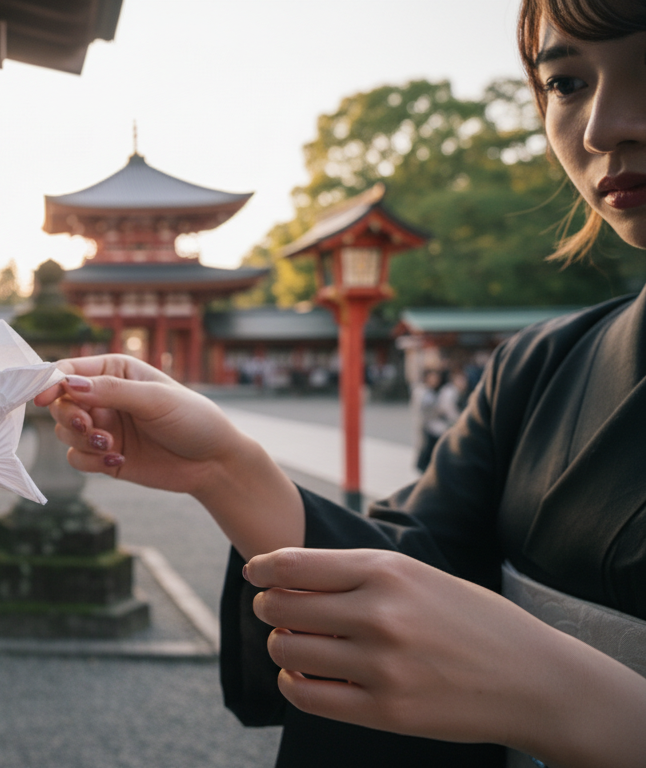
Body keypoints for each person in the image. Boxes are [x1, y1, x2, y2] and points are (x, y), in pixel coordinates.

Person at [32, 1, 646, 765]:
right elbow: (422, 576)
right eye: (566, 82)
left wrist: (566, 697)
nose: (602, 127)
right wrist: (228, 470)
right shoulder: (538, 368)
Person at [411, 368, 445, 473]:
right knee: (426, 447)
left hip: (433, 424)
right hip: (427, 424)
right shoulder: (422, 391)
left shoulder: (434, 391)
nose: (435, 380)